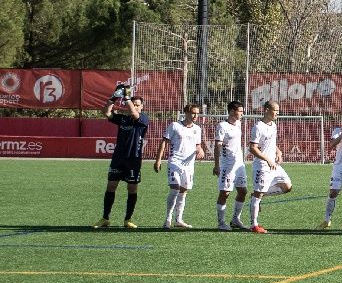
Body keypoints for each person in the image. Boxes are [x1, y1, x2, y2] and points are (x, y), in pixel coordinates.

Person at [95, 92, 151, 229]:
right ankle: (105, 218)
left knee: (132, 189)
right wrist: (113, 98)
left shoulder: (143, 118)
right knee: (111, 186)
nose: (136, 107)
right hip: (118, 158)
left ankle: (128, 219)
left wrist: (127, 98)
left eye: (138, 105)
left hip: (133, 160)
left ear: (142, 107)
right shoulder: (122, 119)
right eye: (134, 104)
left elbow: (134, 114)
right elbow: (106, 112)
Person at [153, 102, 207, 230]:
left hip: (189, 165)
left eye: (197, 114)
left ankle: (179, 219)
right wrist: (158, 160)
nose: (195, 116)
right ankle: (168, 219)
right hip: (175, 162)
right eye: (193, 113)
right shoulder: (175, 126)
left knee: (183, 191)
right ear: (186, 113)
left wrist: (201, 150)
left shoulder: (197, 129)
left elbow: (198, 145)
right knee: (175, 189)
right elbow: (164, 143)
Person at [247, 101, 293, 234]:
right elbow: (253, 148)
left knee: (287, 186)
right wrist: (267, 159)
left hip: (274, 165)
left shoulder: (273, 125)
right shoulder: (258, 127)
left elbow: (271, 143)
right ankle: (254, 225)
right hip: (262, 166)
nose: (278, 113)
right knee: (258, 194)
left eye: (278, 111)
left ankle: (258, 195)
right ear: (267, 110)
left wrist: (278, 152)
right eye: (275, 110)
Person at [213, 100, 250, 231]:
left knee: (243, 191)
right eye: (240, 111)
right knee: (225, 193)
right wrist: (217, 165)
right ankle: (221, 223)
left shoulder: (238, 124)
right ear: (232, 111)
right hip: (227, 165)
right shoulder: (222, 126)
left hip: (239, 164)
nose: (242, 114)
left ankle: (235, 219)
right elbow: (217, 146)